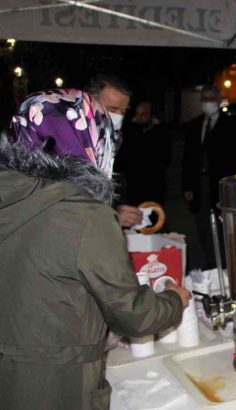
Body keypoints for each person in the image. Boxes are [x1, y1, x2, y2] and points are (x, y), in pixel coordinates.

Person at [0, 89, 190, 409]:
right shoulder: (85, 213)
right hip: (57, 383)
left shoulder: (12, 195)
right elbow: (133, 316)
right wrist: (174, 299)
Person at [182, 84, 236, 270]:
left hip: (222, 183)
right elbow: (188, 158)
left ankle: (228, 264)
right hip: (200, 183)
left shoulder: (232, 125)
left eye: (211, 99)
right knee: (203, 224)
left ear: (219, 101)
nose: (207, 103)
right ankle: (210, 262)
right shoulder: (194, 125)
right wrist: (187, 186)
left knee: (223, 226)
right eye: (204, 99)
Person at [84, 73, 142, 228]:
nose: (119, 117)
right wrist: (111, 216)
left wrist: (116, 209)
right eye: (113, 109)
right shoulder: (71, 144)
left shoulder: (110, 141)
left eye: (123, 112)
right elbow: (69, 206)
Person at [114, 101, 171, 206]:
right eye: (137, 114)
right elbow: (122, 159)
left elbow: (166, 158)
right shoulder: (130, 132)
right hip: (133, 185)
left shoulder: (160, 133)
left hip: (154, 186)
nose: (139, 118)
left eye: (144, 114)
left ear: (152, 116)